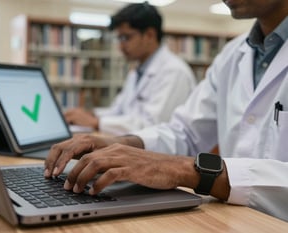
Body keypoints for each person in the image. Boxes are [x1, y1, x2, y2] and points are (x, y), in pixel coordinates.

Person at [44, 0, 288, 221]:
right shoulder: (232, 54)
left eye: (126, 37)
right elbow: (186, 132)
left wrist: (186, 170)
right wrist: (120, 144)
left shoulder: (175, 70)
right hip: (236, 217)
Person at [64, 2, 196, 135]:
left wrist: (96, 122)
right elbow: (118, 110)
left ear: (149, 35)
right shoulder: (138, 70)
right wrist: (90, 114)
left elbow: (154, 125)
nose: (120, 46)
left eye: (126, 37)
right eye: (119, 38)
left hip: (161, 154)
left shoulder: (174, 72)